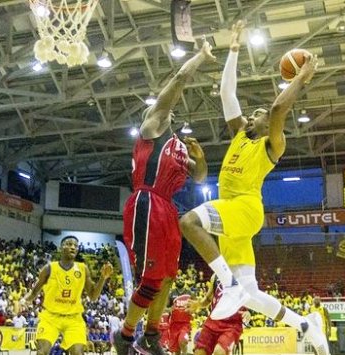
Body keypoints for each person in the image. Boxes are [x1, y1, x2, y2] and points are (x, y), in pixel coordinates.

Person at [178, 20, 328, 355]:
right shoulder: (238, 135)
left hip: (244, 209)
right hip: (231, 220)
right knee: (250, 293)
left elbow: (277, 109)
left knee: (188, 222)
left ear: (266, 127)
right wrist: (233, 49)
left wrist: (302, 78)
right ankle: (304, 324)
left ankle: (228, 285)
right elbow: (226, 93)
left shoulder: (271, 145)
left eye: (257, 115)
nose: (252, 115)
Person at [112, 41, 212, 355]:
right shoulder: (152, 128)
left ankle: (151, 335)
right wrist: (200, 56)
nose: (163, 109)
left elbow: (200, 177)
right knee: (152, 278)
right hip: (147, 202)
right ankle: (126, 335)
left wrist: (201, 155)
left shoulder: (177, 148)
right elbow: (179, 81)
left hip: (168, 208)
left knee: (169, 276)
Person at [22, 235, 113, 355]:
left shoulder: (82, 269)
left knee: (77, 353)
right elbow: (34, 292)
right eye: (69, 244)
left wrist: (102, 278)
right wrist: (24, 300)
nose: (73, 247)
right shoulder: (49, 268)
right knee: (42, 352)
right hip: (50, 317)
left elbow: (93, 296)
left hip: (73, 318)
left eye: (75, 245)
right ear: (61, 248)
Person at [189, 274, 245, 355]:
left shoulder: (242, 273)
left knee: (219, 352)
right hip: (213, 321)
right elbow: (208, 299)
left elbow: (250, 298)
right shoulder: (215, 276)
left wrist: (248, 312)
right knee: (199, 352)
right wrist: (198, 304)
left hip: (231, 324)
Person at [167, 279, 193, 355]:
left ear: (184, 282)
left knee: (182, 341)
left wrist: (192, 309)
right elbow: (165, 307)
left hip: (185, 324)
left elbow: (195, 305)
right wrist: (170, 309)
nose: (180, 280)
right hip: (174, 324)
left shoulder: (189, 293)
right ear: (175, 282)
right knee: (176, 349)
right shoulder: (171, 293)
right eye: (179, 279)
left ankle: (184, 353)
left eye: (182, 279)